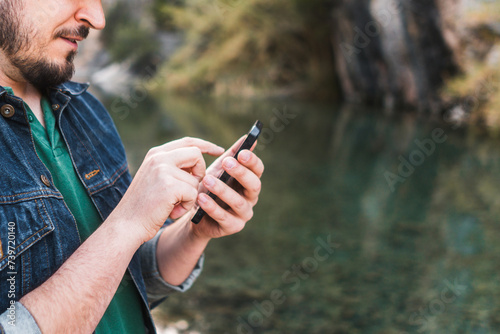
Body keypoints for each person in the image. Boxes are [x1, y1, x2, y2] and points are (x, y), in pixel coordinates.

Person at [0, 0, 264, 333]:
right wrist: (127, 223)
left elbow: (123, 283)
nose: (96, 18)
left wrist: (194, 230)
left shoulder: (85, 109)